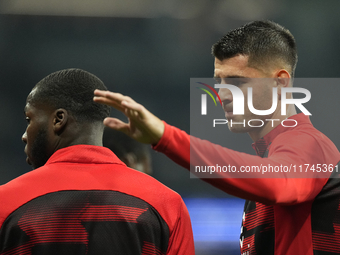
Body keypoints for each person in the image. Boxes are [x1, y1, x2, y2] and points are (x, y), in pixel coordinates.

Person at [93, 20, 340, 255]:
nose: (222, 94)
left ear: (280, 82)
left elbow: (277, 183)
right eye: (219, 82)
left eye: (237, 82)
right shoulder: (272, 157)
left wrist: (166, 136)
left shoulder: (309, 144)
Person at [0, 68, 194, 255]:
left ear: (59, 119)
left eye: (29, 119)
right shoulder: (167, 205)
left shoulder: (5, 203)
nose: (25, 136)